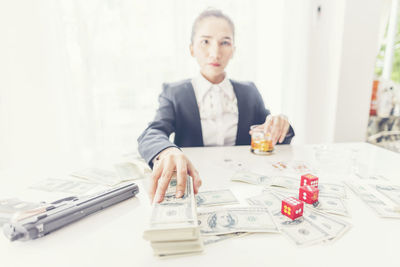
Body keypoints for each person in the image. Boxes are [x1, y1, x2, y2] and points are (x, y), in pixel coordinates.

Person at [138, 8, 294, 203]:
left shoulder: (249, 92)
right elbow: (152, 133)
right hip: (195, 185)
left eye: (225, 43)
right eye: (205, 41)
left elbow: (269, 135)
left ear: (233, 50)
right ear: (192, 49)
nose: (215, 52)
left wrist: (280, 125)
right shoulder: (174, 92)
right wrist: (168, 151)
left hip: (241, 189)